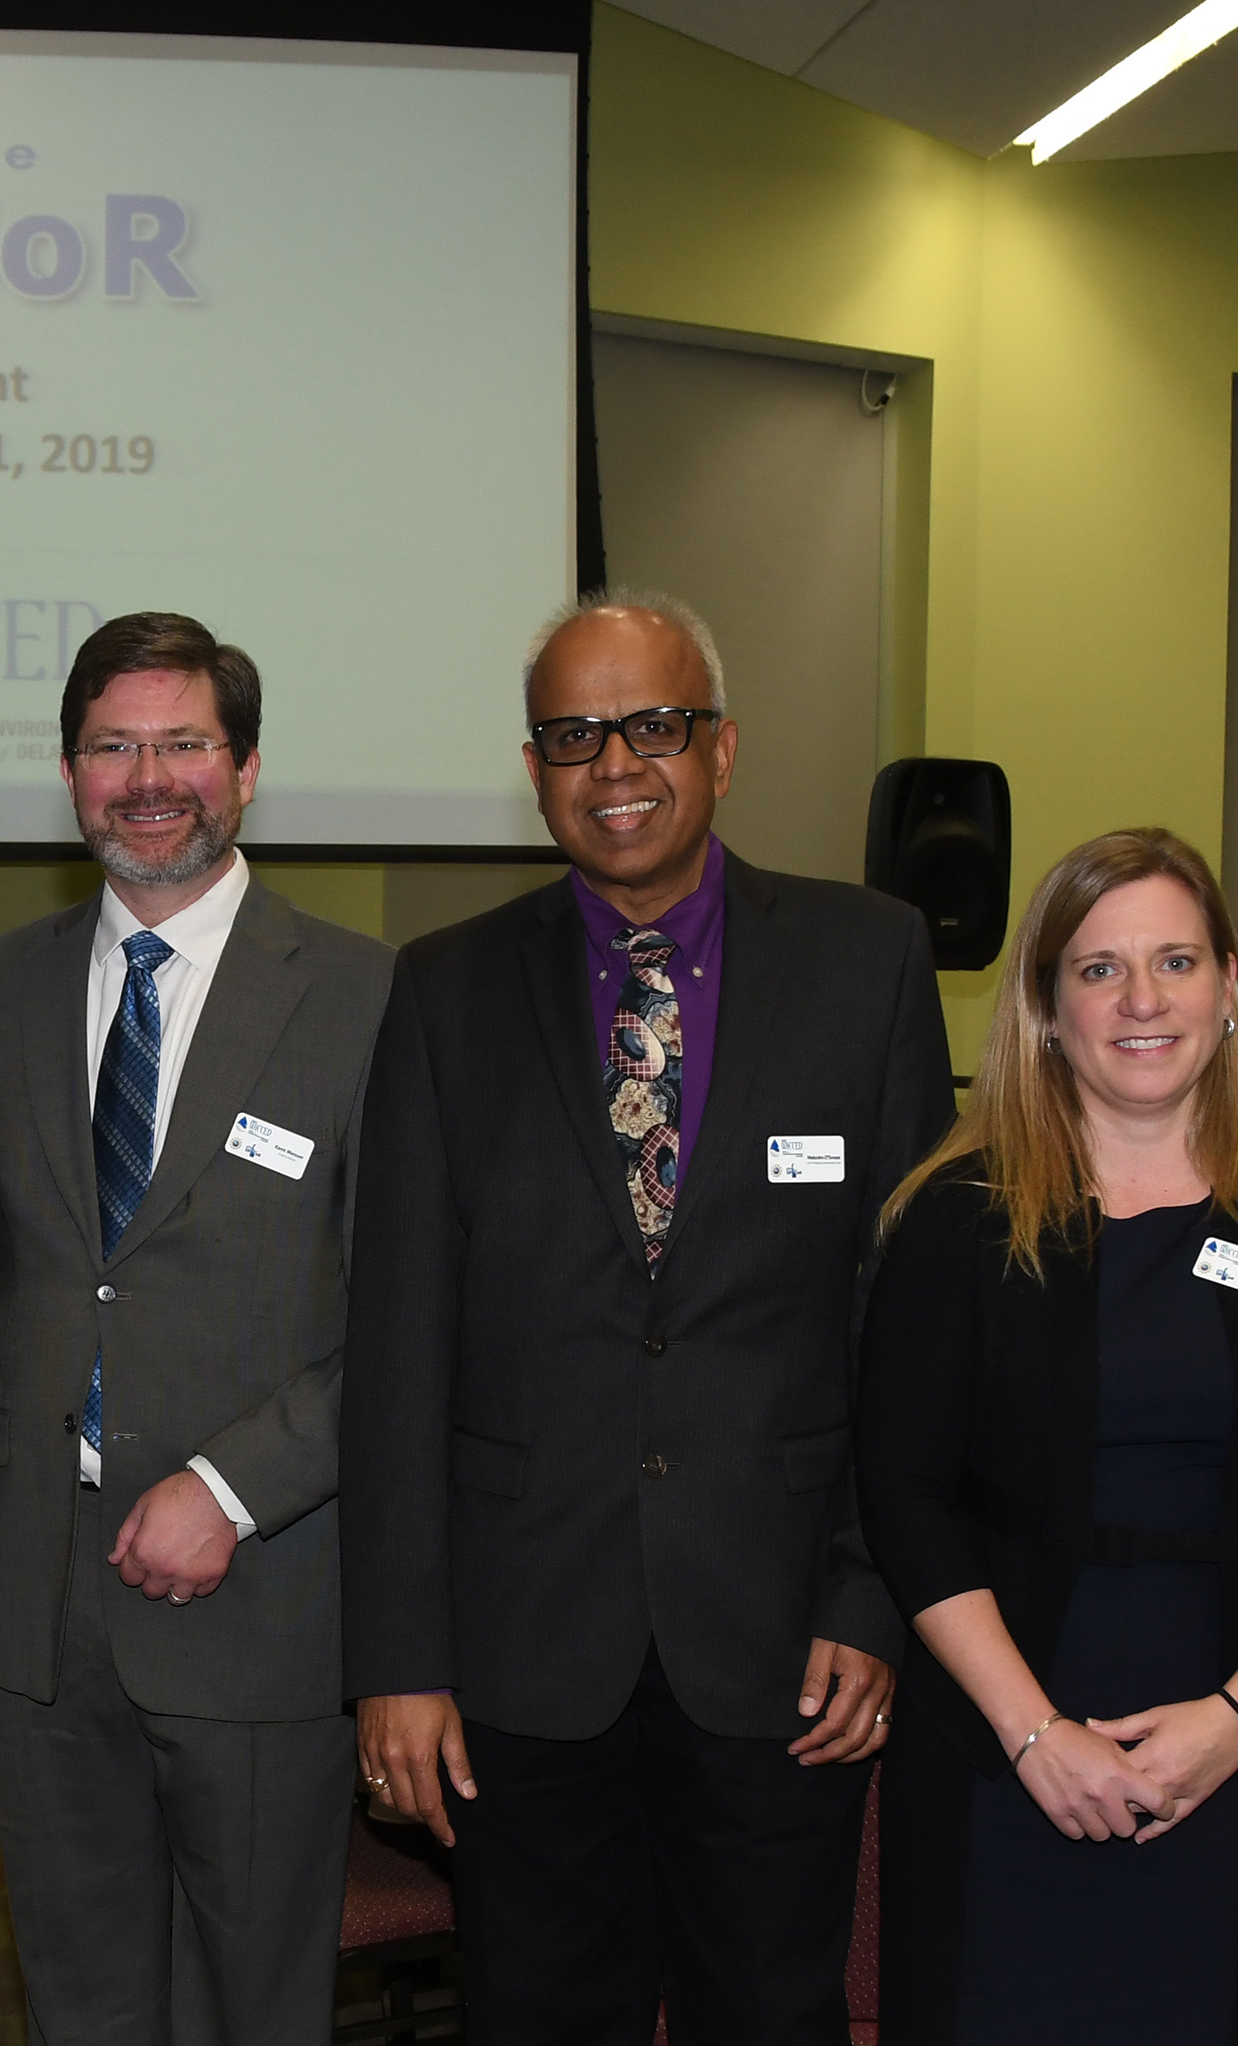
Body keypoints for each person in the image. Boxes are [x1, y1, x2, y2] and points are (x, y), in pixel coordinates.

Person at [344, 590, 953, 2042]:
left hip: (783, 1642)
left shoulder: (867, 964)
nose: (615, 763)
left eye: (653, 725)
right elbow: (396, 1343)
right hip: (519, 1652)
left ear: (723, 748)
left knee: (770, 2008)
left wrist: (873, 1598)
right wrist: (399, 1662)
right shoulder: (438, 991)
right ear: (536, 766)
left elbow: (909, 1324)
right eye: (572, 734)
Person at [853, 827, 1238, 2044]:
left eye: (1175, 961)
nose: (1142, 1000)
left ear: (1230, 987)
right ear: (1047, 1009)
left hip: (1230, 1746)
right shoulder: (958, 1216)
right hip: (1002, 1747)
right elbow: (901, 1491)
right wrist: (1035, 1734)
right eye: (1099, 970)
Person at [0, 613, 397, 2044]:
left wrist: (233, 1484)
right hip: (42, 1614)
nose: (150, 776)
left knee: (255, 2009)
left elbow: (410, 1313)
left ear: (246, 767)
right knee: (78, 2002)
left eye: (183, 742)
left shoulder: (371, 996)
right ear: (70, 774)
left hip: (261, 1600)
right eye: (113, 745)